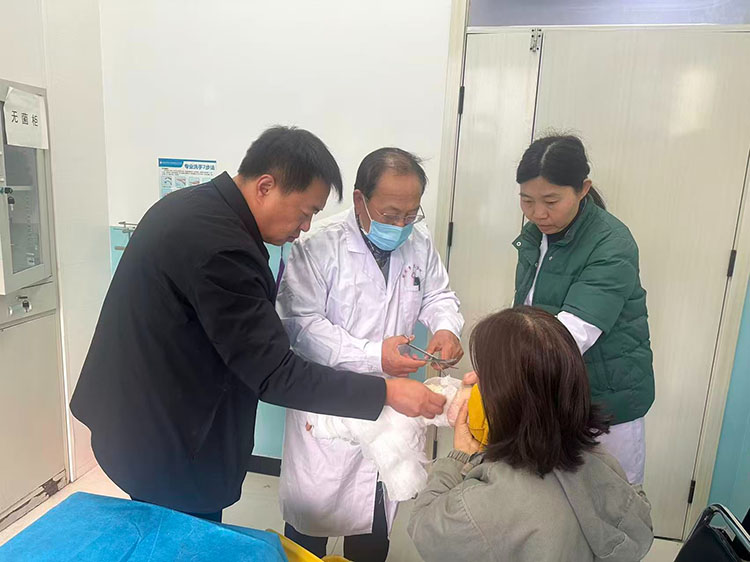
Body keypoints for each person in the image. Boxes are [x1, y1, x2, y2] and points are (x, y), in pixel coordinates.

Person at [69, 127, 445, 523]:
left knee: (163, 528)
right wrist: (386, 392)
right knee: (185, 537)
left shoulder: (193, 206)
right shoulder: (220, 248)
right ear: (265, 186)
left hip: (141, 417)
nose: (305, 227)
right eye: (305, 212)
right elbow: (275, 373)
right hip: (165, 439)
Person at [276, 148, 464, 561]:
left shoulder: (418, 241)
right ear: (360, 199)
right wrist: (374, 356)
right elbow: (301, 326)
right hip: (328, 405)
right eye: (390, 214)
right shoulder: (318, 244)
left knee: (374, 528)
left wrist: (446, 328)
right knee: (310, 532)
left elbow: (438, 294)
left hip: (391, 410)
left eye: (410, 214)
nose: (401, 225)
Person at [408, 307, 654, 562]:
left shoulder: (487, 506)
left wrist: (459, 456)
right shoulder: (601, 462)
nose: (472, 381)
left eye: (484, 378)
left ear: (505, 400)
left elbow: (425, 528)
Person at [511, 134, 655, 484]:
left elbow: (571, 334)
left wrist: (503, 368)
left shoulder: (612, 243)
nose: (538, 213)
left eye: (551, 201)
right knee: (556, 501)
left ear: (583, 189)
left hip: (605, 401)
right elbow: (528, 309)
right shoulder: (537, 234)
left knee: (610, 502)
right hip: (553, 392)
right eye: (527, 200)